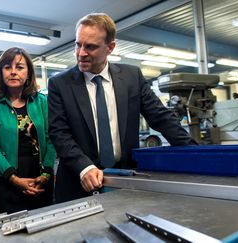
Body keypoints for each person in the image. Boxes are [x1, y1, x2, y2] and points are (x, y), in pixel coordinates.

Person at [47, 13, 197, 203]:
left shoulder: (132, 77)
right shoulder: (60, 84)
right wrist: (84, 167)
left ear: (110, 47)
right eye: (78, 44)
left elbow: (161, 118)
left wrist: (195, 155)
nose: (81, 53)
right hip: (77, 185)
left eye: (90, 46)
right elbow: (59, 133)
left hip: (124, 181)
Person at [0, 47, 57, 214]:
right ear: (1, 72)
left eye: (20, 67)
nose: (13, 72)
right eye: (7, 67)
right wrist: (14, 179)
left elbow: (51, 139)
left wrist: (45, 174)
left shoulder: (41, 101)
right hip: (6, 182)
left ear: (29, 72)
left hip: (40, 180)